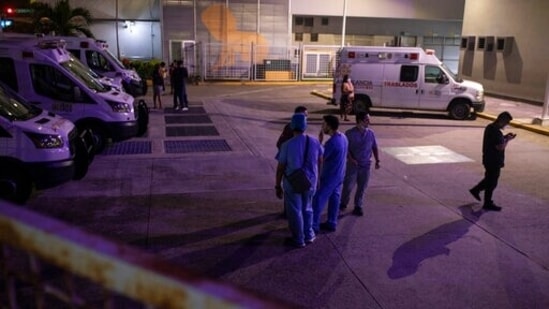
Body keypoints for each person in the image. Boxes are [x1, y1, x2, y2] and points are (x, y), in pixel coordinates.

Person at [275, 114, 323, 248]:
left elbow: (280, 168)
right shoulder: (314, 141)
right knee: (308, 208)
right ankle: (309, 235)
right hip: (310, 181)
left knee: (295, 210)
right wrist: (318, 178)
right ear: (305, 126)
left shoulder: (287, 145)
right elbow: (320, 160)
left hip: (292, 182)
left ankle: (298, 239)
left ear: (292, 126)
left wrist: (277, 185)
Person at [469, 111, 516, 211]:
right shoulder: (496, 132)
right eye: (507, 123)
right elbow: (500, 147)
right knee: (492, 182)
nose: (507, 125)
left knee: (489, 179)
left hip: (488, 159)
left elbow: (495, 141)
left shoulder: (490, 127)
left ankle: (477, 191)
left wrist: (504, 137)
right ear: (502, 120)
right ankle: (486, 201)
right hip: (494, 161)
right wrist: (508, 140)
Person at [312, 115, 348, 232]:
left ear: (329, 126)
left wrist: (320, 142)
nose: (322, 127)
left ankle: (314, 226)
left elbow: (321, 158)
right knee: (334, 199)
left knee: (318, 199)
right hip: (340, 174)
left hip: (330, 176)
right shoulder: (343, 137)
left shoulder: (331, 143)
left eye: (324, 124)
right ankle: (332, 222)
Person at [340, 112, 380, 216]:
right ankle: (343, 203)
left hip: (366, 165)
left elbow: (374, 147)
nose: (369, 122)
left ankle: (358, 205)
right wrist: (351, 158)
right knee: (348, 186)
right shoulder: (349, 133)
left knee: (362, 187)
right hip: (353, 165)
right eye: (366, 120)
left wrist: (377, 160)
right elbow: (345, 149)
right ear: (360, 121)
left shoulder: (370, 133)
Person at [276, 106, 308, 219]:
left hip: (299, 167)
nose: (306, 117)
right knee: (291, 192)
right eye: (304, 115)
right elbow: (280, 144)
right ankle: (288, 213)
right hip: (290, 165)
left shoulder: (304, 133)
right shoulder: (290, 129)